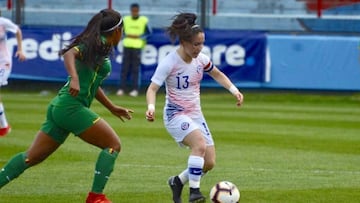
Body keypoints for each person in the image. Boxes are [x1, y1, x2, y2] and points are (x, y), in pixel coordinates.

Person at [0, 9, 133, 203]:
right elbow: (70, 53)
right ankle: (96, 197)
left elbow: (92, 84)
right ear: (117, 31)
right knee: (113, 145)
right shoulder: (97, 44)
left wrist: (111, 107)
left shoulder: (100, 46)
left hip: (61, 107)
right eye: (123, 30)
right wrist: (75, 78)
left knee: (31, 157)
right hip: (71, 107)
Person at [145, 13, 244, 203]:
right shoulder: (170, 62)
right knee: (199, 145)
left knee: (209, 162)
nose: (199, 48)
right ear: (183, 42)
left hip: (195, 114)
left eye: (202, 44)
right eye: (195, 44)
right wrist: (151, 107)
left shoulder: (201, 59)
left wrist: (234, 90)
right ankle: (194, 192)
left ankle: (177, 181)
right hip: (175, 115)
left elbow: (217, 74)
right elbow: (152, 88)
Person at [116, 3, 151, 97]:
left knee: (136, 69)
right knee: (125, 68)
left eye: (136, 11)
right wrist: (125, 36)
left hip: (137, 46)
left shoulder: (143, 20)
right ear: (131, 11)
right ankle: (121, 88)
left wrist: (140, 37)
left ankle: (135, 89)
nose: (134, 12)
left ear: (138, 11)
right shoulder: (126, 19)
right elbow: (120, 31)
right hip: (127, 45)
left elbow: (149, 33)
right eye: (133, 11)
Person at [0, 15, 26, 136]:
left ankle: (4, 127)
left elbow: (17, 30)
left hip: (3, 62)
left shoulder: (3, 22)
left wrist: (20, 49)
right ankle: (4, 126)